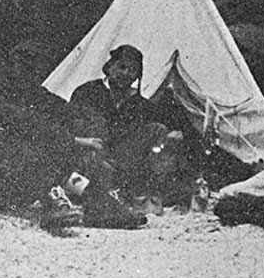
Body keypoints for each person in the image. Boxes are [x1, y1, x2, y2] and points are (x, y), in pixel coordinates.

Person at [68, 45, 195, 228]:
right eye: (121, 67)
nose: (126, 73)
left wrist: (173, 132)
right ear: (109, 67)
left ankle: (144, 191)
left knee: (157, 129)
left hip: (121, 159)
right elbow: (75, 126)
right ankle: (109, 198)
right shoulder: (87, 92)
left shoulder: (139, 103)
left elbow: (162, 126)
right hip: (90, 154)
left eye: (133, 70)